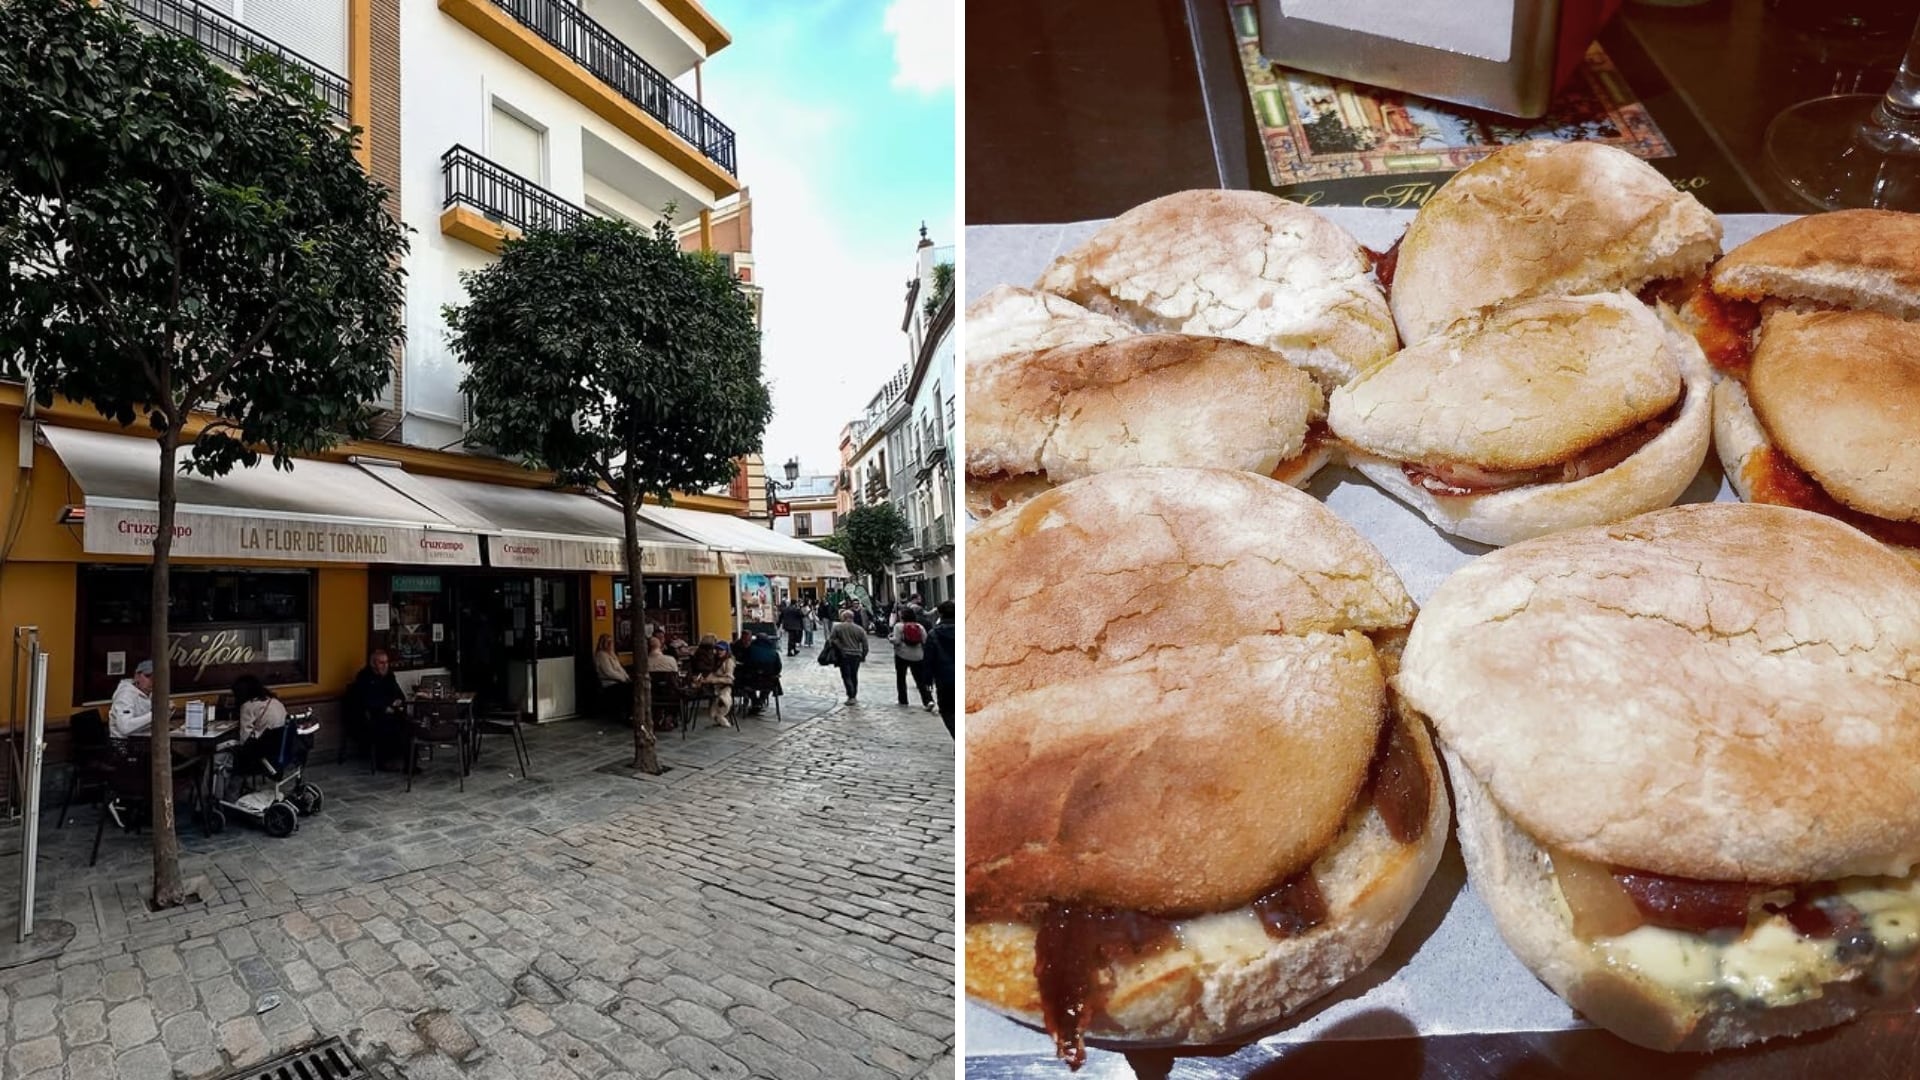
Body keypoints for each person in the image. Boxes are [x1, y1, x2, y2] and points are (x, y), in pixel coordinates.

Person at [347, 649, 408, 767]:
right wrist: (385, 707)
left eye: (386, 662)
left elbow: (399, 694)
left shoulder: (389, 676)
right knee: (385, 725)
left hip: (392, 711)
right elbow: (365, 700)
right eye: (381, 663)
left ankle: (410, 763)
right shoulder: (364, 677)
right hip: (371, 715)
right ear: (373, 664)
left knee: (408, 723)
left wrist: (398, 701)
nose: (385, 666)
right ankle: (383, 762)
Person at [923, 600, 957, 737]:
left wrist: (927, 680)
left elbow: (928, 659)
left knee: (947, 710)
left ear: (940, 614)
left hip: (944, 679)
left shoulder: (933, 634)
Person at [889, 611, 934, 709]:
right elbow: (925, 640)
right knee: (921, 680)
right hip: (918, 656)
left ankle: (903, 700)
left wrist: (890, 638)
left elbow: (896, 641)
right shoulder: (919, 626)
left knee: (901, 678)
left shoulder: (898, 626)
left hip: (902, 655)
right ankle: (928, 700)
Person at [825, 609, 870, 704]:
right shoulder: (859, 629)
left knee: (846, 676)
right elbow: (865, 645)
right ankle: (854, 695)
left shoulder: (838, 628)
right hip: (856, 655)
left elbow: (831, 640)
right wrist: (863, 655)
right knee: (854, 675)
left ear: (844, 617)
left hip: (844, 655)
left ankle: (851, 695)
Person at [109, 659, 156, 738]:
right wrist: (156, 715)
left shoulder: (152, 693)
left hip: (146, 741)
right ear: (137, 676)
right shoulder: (125, 695)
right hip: (124, 744)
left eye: (156, 677)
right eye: (147, 676)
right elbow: (125, 727)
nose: (152, 681)